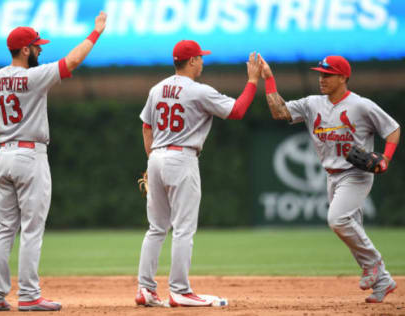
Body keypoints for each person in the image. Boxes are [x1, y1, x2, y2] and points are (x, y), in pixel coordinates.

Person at [0, 12, 107, 311]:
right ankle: (29, 296)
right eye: (37, 46)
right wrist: (95, 33)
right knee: (32, 228)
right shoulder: (33, 76)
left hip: (3, 156)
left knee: (4, 228)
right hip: (29, 156)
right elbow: (72, 62)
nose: (40, 50)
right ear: (25, 50)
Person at [259, 55, 400, 303]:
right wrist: (269, 79)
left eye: (328, 74)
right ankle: (382, 281)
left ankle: (375, 264)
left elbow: (393, 130)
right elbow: (279, 112)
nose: (321, 79)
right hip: (331, 175)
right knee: (351, 228)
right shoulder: (312, 103)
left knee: (337, 220)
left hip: (356, 173)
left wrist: (386, 158)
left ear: (343, 77)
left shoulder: (361, 105)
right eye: (320, 74)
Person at [136, 40, 262, 307]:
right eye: (200, 58)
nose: (202, 62)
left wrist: (152, 161)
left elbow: (147, 126)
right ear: (191, 61)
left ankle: (145, 289)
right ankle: (180, 290)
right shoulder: (198, 91)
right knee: (183, 229)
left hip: (156, 156)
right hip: (181, 158)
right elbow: (237, 111)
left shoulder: (157, 89)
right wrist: (252, 81)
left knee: (156, 228)